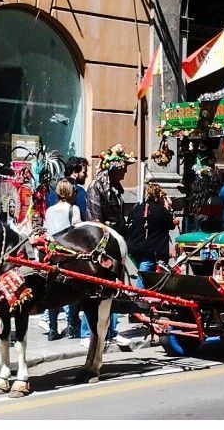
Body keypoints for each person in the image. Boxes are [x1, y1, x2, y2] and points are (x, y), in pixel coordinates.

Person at [84, 143, 136, 347]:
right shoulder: (97, 187)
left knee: (113, 288)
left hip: (117, 241)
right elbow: (96, 220)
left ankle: (110, 329)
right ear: (114, 168)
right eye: (123, 168)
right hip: (104, 243)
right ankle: (91, 332)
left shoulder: (116, 187)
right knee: (98, 289)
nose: (125, 172)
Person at [41, 180, 82, 340]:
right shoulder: (74, 209)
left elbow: (47, 231)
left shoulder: (50, 210)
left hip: (52, 254)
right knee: (72, 290)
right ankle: (72, 325)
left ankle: (52, 329)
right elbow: (78, 231)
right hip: (68, 254)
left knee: (53, 290)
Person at [126, 183, 178, 289]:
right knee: (144, 274)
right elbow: (171, 224)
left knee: (145, 273)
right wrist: (170, 209)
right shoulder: (161, 211)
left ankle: (144, 296)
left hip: (134, 248)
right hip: (150, 250)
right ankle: (138, 297)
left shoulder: (136, 209)